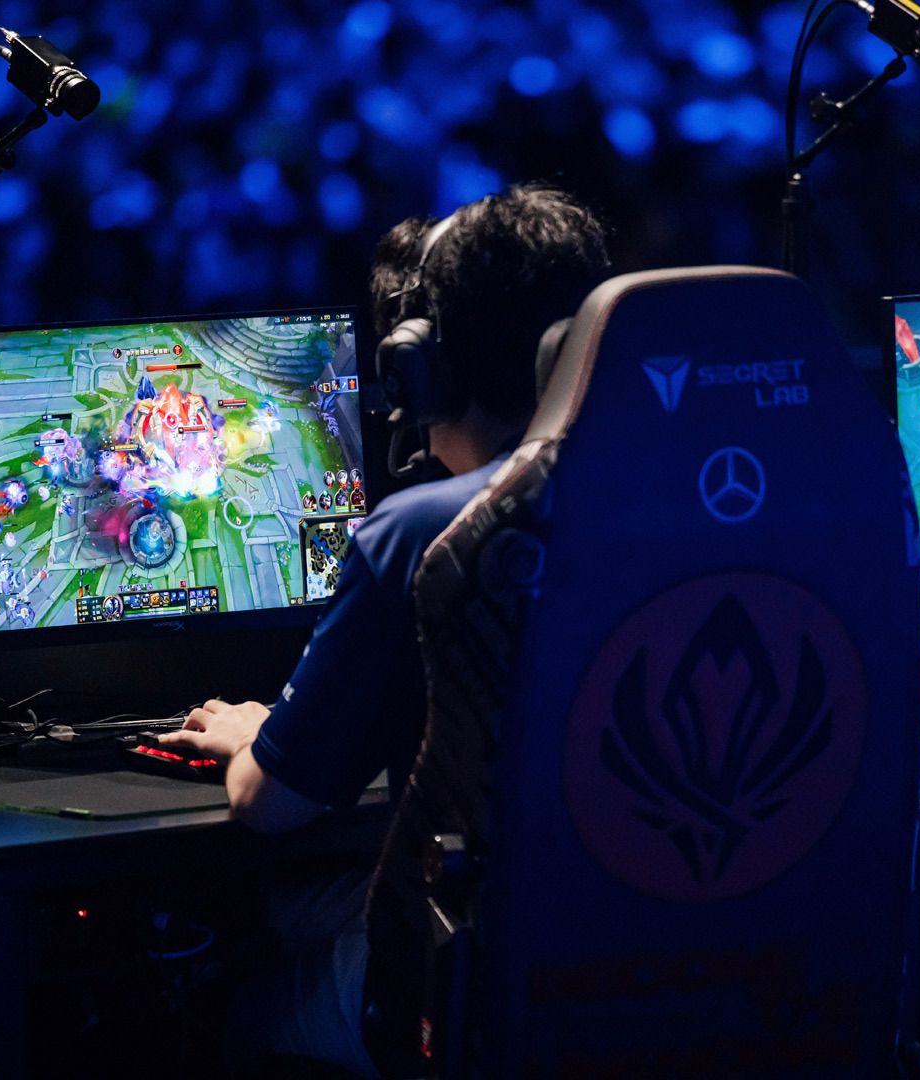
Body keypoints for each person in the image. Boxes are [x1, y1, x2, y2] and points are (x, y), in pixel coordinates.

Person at [159, 183, 610, 1074]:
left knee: (225, 1003)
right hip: (668, 944)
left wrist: (257, 737)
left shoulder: (426, 533)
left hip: (492, 972)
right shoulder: (714, 503)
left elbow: (269, 804)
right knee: (284, 911)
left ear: (421, 367)